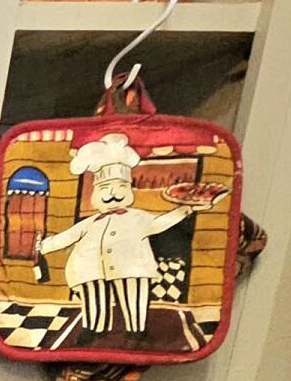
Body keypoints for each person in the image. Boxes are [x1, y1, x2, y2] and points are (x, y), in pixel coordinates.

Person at [31, 132, 214, 341]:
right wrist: (44, 246)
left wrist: (185, 210)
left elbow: (159, 223)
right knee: (94, 298)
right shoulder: (91, 222)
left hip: (132, 265)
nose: (113, 193)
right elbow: (67, 236)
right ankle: (94, 328)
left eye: (120, 187)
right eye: (105, 188)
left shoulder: (137, 217)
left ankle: (136, 329)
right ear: (96, 192)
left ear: (128, 188)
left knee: (134, 295)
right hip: (89, 267)